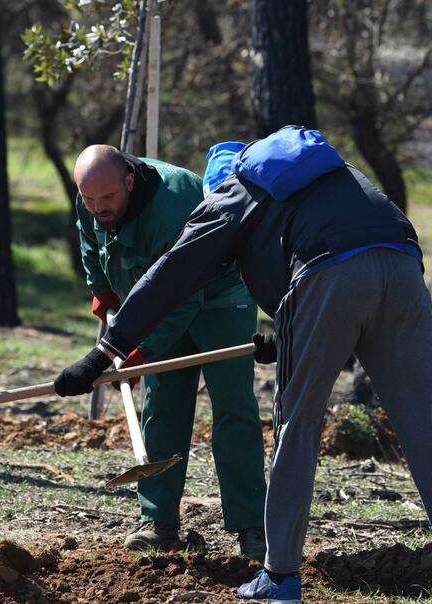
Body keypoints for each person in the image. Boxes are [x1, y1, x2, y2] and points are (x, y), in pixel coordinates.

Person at [53, 127, 432, 604]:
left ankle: (280, 577)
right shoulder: (325, 175)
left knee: (298, 425)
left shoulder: (234, 191)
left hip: (328, 273)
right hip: (402, 267)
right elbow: (313, 252)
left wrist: (105, 352)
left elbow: (173, 271)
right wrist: (291, 327)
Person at [69, 144, 268, 560]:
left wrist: (138, 351)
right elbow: (92, 243)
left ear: (128, 180)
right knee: (162, 406)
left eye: (106, 199)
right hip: (157, 303)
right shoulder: (92, 195)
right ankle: (159, 521)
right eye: (89, 200)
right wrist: (104, 299)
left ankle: (252, 527)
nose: (97, 208)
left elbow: (183, 297)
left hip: (219, 299)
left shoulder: (173, 204)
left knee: (234, 409)